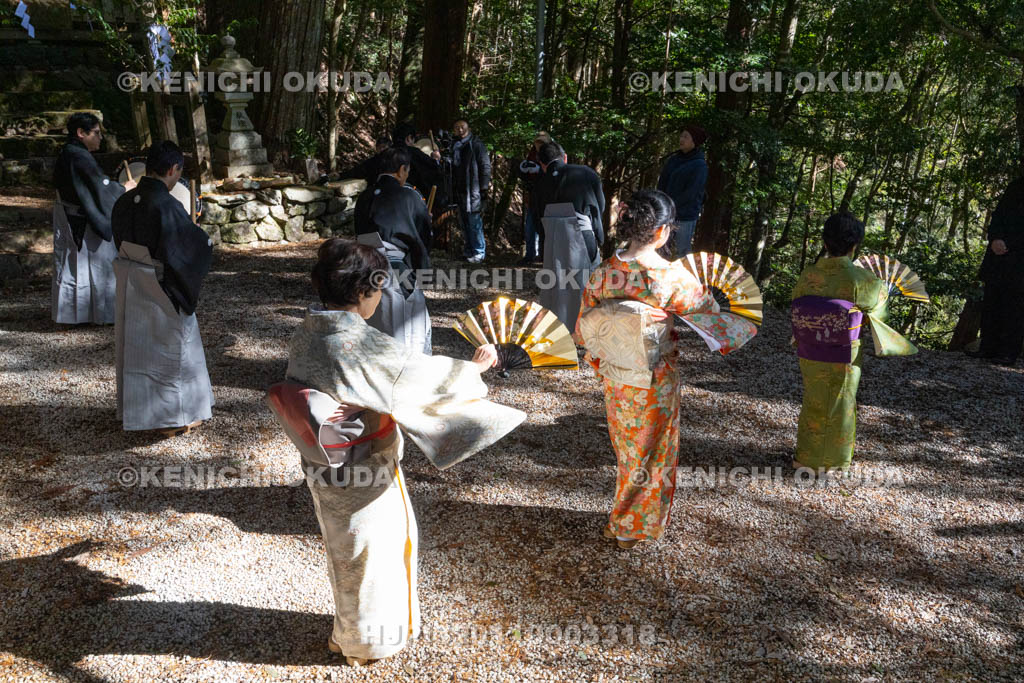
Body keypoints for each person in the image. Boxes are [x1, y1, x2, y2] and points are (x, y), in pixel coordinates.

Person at [277, 238, 524, 664]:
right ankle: (363, 643)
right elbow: (421, 378)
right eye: (378, 288)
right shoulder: (358, 344)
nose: (380, 296)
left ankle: (360, 630)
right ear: (361, 292)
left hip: (326, 460)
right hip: (363, 462)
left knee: (355, 547)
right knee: (368, 553)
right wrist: (477, 368)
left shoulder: (309, 330)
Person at [577, 190, 721, 550]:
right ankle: (629, 525)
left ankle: (622, 517)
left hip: (616, 375)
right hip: (654, 380)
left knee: (627, 450)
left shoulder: (603, 273)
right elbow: (709, 314)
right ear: (662, 232)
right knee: (653, 453)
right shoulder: (670, 277)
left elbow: (584, 331)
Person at [790, 212, 917, 471]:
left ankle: (804, 457)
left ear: (825, 243)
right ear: (854, 245)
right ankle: (833, 463)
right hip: (843, 352)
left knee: (813, 398)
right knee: (841, 402)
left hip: (809, 349)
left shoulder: (808, 275)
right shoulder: (864, 280)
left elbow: (796, 302)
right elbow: (879, 315)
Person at [110, 141, 215, 436]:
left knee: (139, 350)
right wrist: (204, 241)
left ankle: (140, 409)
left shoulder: (124, 201)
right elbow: (185, 251)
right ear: (173, 169)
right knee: (173, 351)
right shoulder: (167, 205)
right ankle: (174, 417)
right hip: (162, 286)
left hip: (133, 283)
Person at [52, 112, 130, 324]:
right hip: (80, 218)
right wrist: (123, 188)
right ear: (81, 133)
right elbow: (100, 187)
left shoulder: (73, 153)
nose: (100, 138)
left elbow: (95, 184)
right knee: (97, 262)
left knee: (76, 265)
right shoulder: (77, 156)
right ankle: (97, 314)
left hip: (73, 214)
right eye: (96, 133)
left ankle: (80, 314)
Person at [353, 146, 433, 353]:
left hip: (365, 266)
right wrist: (423, 272)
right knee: (406, 325)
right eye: (407, 171)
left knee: (374, 320)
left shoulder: (364, 196)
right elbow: (423, 238)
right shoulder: (410, 197)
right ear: (401, 170)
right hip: (399, 268)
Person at [534, 141, 606, 330]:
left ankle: (556, 328)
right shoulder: (585, 173)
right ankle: (587, 330)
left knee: (554, 283)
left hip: (552, 239)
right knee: (586, 281)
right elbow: (599, 207)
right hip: (581, 235)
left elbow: (536, 218)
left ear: (542, 164)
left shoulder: (539, 181)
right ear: (564, 157)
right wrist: (599, 235)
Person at [969, 176, 1024, 366]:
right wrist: (996, 239)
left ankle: (1008, 352)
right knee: (992, 302)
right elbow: (998, 216)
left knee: (1015, 307)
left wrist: (1011, 244)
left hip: (1019, 261)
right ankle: (987, 347)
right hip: (998, 257)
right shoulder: (1016, 185)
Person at [656, 124, 708, 257]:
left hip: (686, 215)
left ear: (694, 141)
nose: (682, 139)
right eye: (681, 136)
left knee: (682, 251)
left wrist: (672, 206)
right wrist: (660, 204)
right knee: (661, 248)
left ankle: (685, 277)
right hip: (667, 213)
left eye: (686, 137)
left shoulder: (699, 165)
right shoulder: (674, 160)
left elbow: (692, 192)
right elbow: (662, 182)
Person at [451, 118, 491, 263]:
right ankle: (468, 250)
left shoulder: (476, 145)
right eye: (456, 127)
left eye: (462, 126)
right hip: (460, 189)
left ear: (468, 127)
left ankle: (479, 252)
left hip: (473, 190)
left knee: (474, 221)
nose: (459, 130)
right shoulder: (455, 146)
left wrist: (484, 188)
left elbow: (485, 166)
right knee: (463, 222)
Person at [516, 131, 553, 265]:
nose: (539, 144)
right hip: (532, 195)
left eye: (542, 142)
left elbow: (556, 173)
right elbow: (524, 174)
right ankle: (530, 254)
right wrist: (524, 171)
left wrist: (540, 171)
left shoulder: (554, 153)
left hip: (547, 197)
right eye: (537, 142)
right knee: (530, 226)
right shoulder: (532, 153)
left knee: (545, 227)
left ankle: (544, 256)